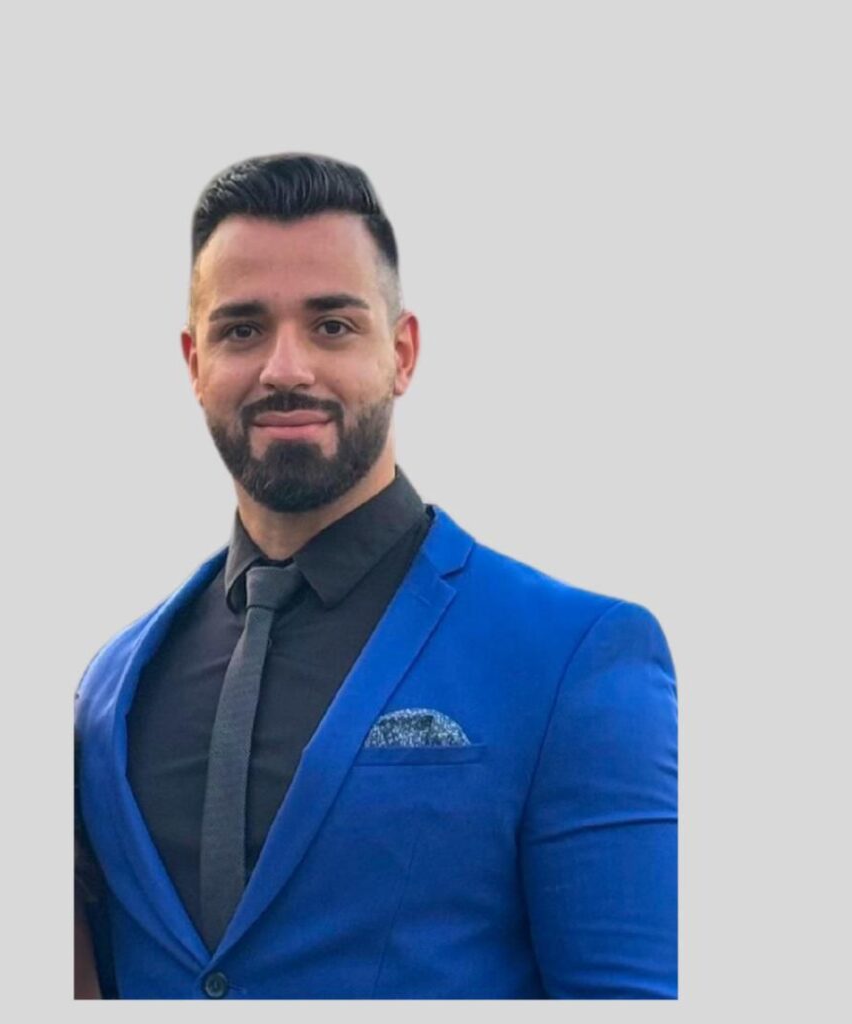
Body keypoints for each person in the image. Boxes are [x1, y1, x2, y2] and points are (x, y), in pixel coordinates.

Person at [73, 153, 678, 999]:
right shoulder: (109, 693)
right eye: (242, 329)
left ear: (402, 352)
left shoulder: (574, 657)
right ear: (193, 361)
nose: (286, 368)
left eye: (332, 326)